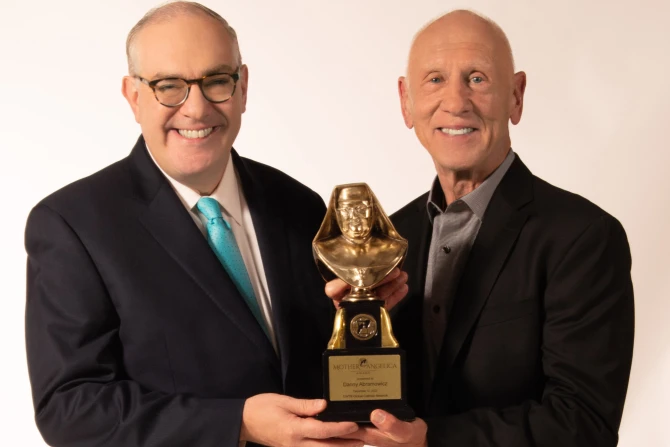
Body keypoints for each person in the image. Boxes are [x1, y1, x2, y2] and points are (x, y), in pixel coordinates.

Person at [24, 2, 407, 446]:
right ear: (133, 96)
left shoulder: (298, 204)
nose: (196, 108)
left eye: (217, 81)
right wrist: (237, 423)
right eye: (169, 86)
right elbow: (69, 408)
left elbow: (305, 366)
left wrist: (352, 321)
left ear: (243, 87)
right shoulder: (73, 224)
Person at [333, 9, 635, 447]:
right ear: (406, 101)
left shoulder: (583, 237)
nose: (456, 102)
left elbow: (584, 423)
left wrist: (433, 440)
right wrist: (346, 331)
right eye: (435, 79)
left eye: (477, 79)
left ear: (516, 96)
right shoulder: (388, 241)